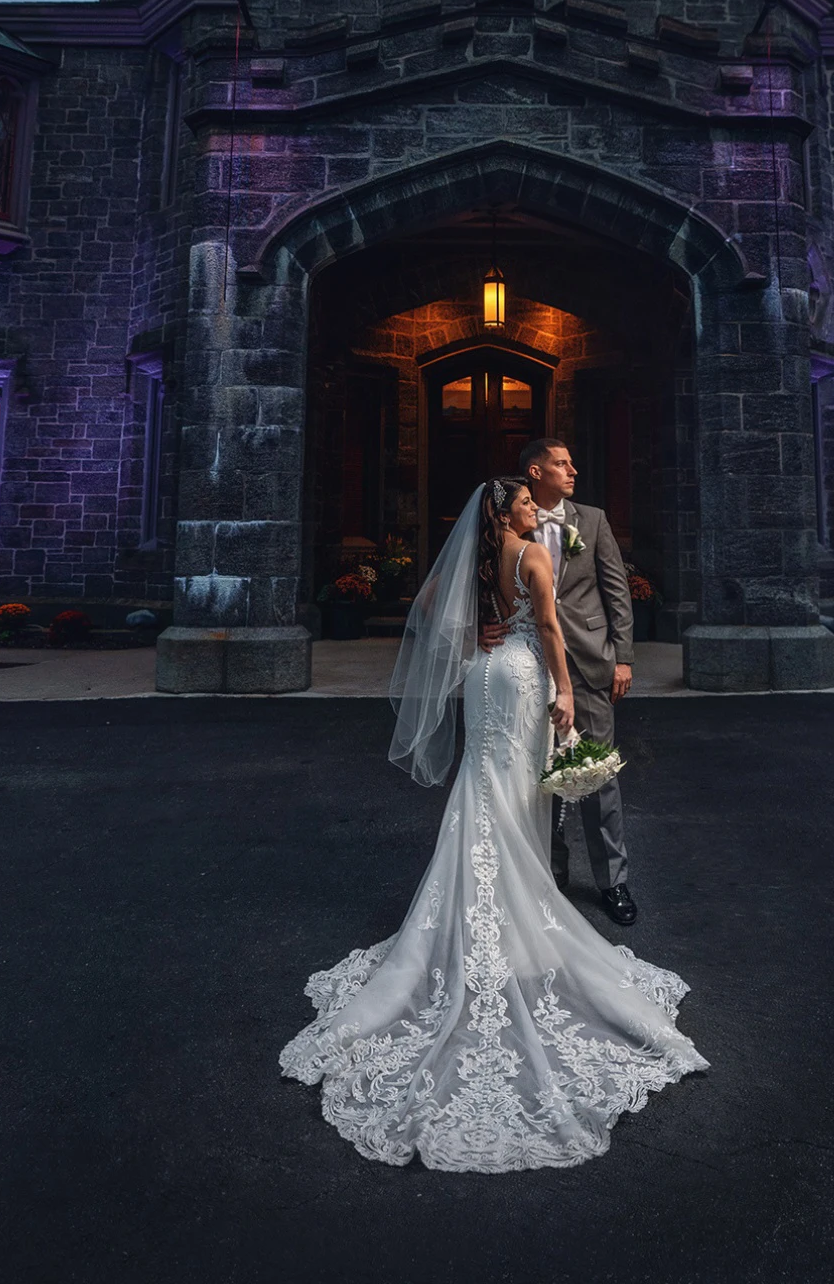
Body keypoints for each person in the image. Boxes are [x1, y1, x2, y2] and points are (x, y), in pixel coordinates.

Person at [278, 477, 706, 1174]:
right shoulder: (530, 556)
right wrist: (566, 690)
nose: (537, 509)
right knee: (515, 796)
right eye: (527, 505)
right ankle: (516, 925)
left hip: (480, 677)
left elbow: (422, 608)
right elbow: (546, 628)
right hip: (522, 675)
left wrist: (473, 632)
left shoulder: (475, 559)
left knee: (480, 791)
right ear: (507, 512)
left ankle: (478, 918)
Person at [482, 439, 636, 925]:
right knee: (534, 776)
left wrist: (623, 658)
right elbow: (467, 588)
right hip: (529, 668)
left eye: (572, 462)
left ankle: (613, 882)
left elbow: (617, 590)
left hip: (589, 666)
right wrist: (476, 627)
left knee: (596, 775)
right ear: (536, 470)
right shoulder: (504, 526)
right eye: (562, 463)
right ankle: (548, 876)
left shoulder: (592, 520)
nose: (573, 470)